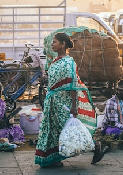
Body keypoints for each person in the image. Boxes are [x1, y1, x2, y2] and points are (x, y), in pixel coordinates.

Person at [34, 32, 106, 168]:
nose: (52, 44)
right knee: (54, 130)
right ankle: (54, 158)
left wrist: (74, 106)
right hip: (53, 102)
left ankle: (96, 146)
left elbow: (73, 85)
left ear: (63, 44)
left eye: (54, 42)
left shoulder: (69, 62)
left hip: (64, 103)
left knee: (69, 130)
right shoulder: (54, 62)